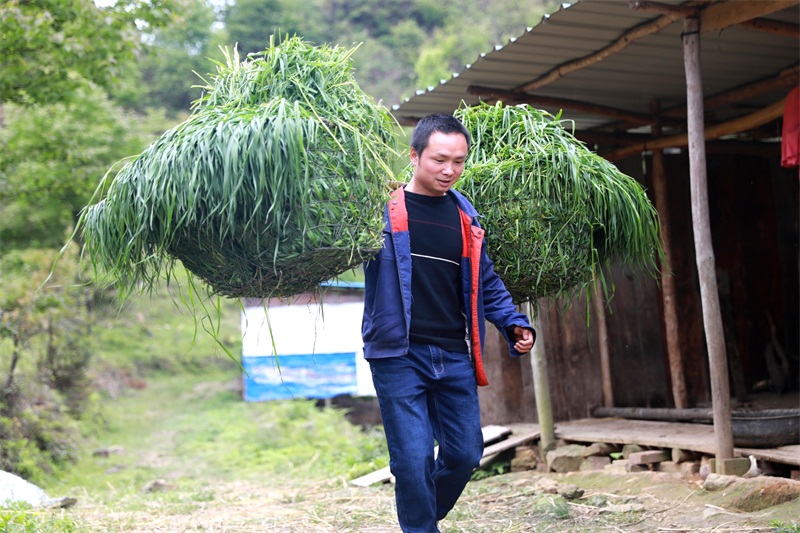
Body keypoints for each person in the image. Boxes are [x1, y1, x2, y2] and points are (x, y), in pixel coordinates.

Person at [361, 113, 535, 532]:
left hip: (453, 352)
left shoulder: (465, 219)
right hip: (397, 352)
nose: (449, 170)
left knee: (465, 454)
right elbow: (333, 242)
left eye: (458, 161)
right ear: (415, 155)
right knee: (413, 458)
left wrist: (512, 322)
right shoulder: (380, 214)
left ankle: (417, 519)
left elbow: (485, 281)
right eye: (440, 160)